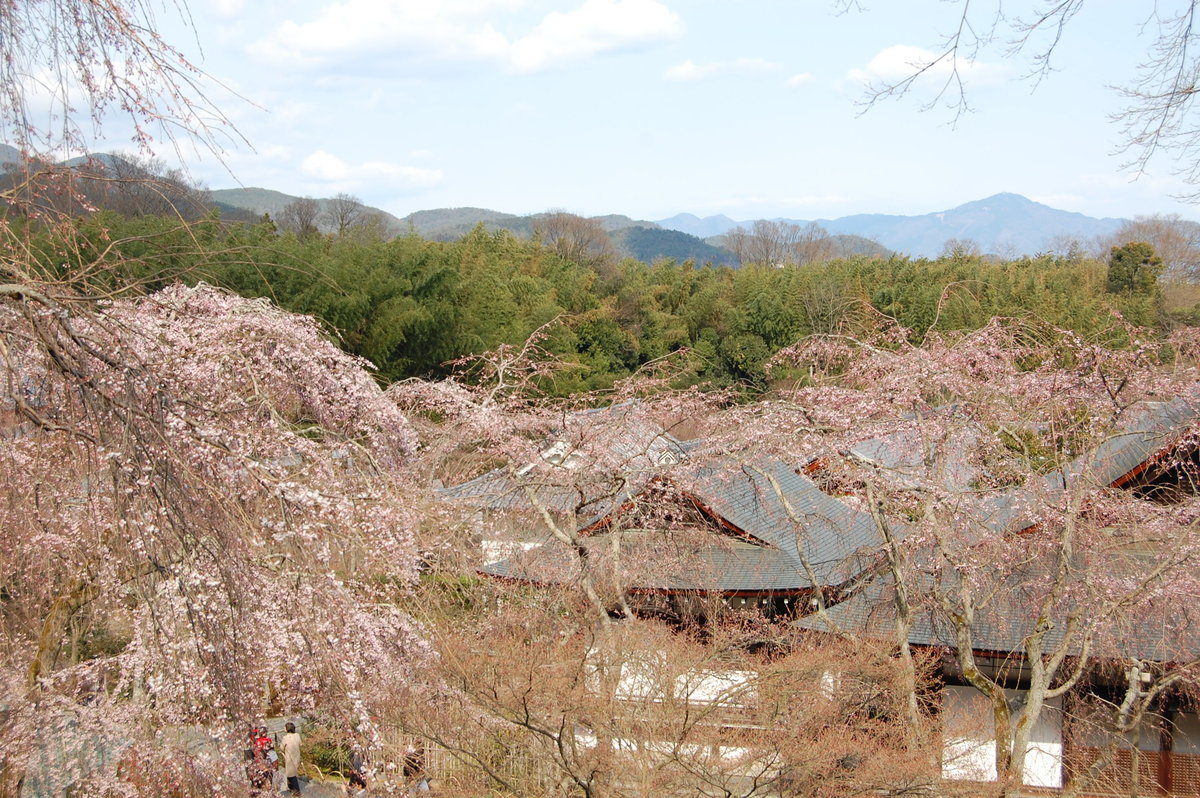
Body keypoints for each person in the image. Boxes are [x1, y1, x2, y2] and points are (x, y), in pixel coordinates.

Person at [281, 721, 303, 796]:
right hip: (296, 756)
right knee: (292, 773)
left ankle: (296, 791)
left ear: (287, 729)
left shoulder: (285, 738)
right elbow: (301, 744)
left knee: (291, 774)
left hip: (289, 757)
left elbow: (281, 748)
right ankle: (291, 789)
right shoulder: (297, 735)